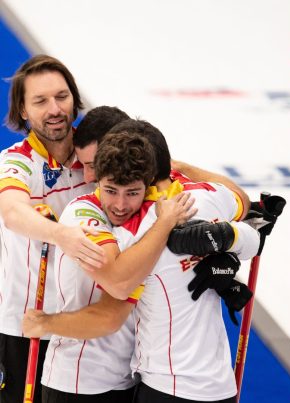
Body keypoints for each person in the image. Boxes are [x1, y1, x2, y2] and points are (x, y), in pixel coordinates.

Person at [23, 120, 259, 402]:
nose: (120, 204)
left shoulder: (142, 228)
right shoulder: (90, 214)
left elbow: (243, 211)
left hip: (143, 381)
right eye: (110, 189)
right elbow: (241, 200)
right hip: (83, 380)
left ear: (145, 177)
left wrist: (227, 245)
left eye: (132, 192)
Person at [0, 55, 106, 403]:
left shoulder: (99, 154)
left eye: (61, 96)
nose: (55, 108)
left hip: (88, 324)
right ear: (23, 110)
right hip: (27, 324)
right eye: (40, 101)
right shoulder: (16, 160)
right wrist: (63, 235)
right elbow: (12, 211)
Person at [72, 105, 250, 218]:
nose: (87, 177)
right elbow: (241, 198)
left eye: (93, 165)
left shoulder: (131, 216)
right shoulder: (182, 181)